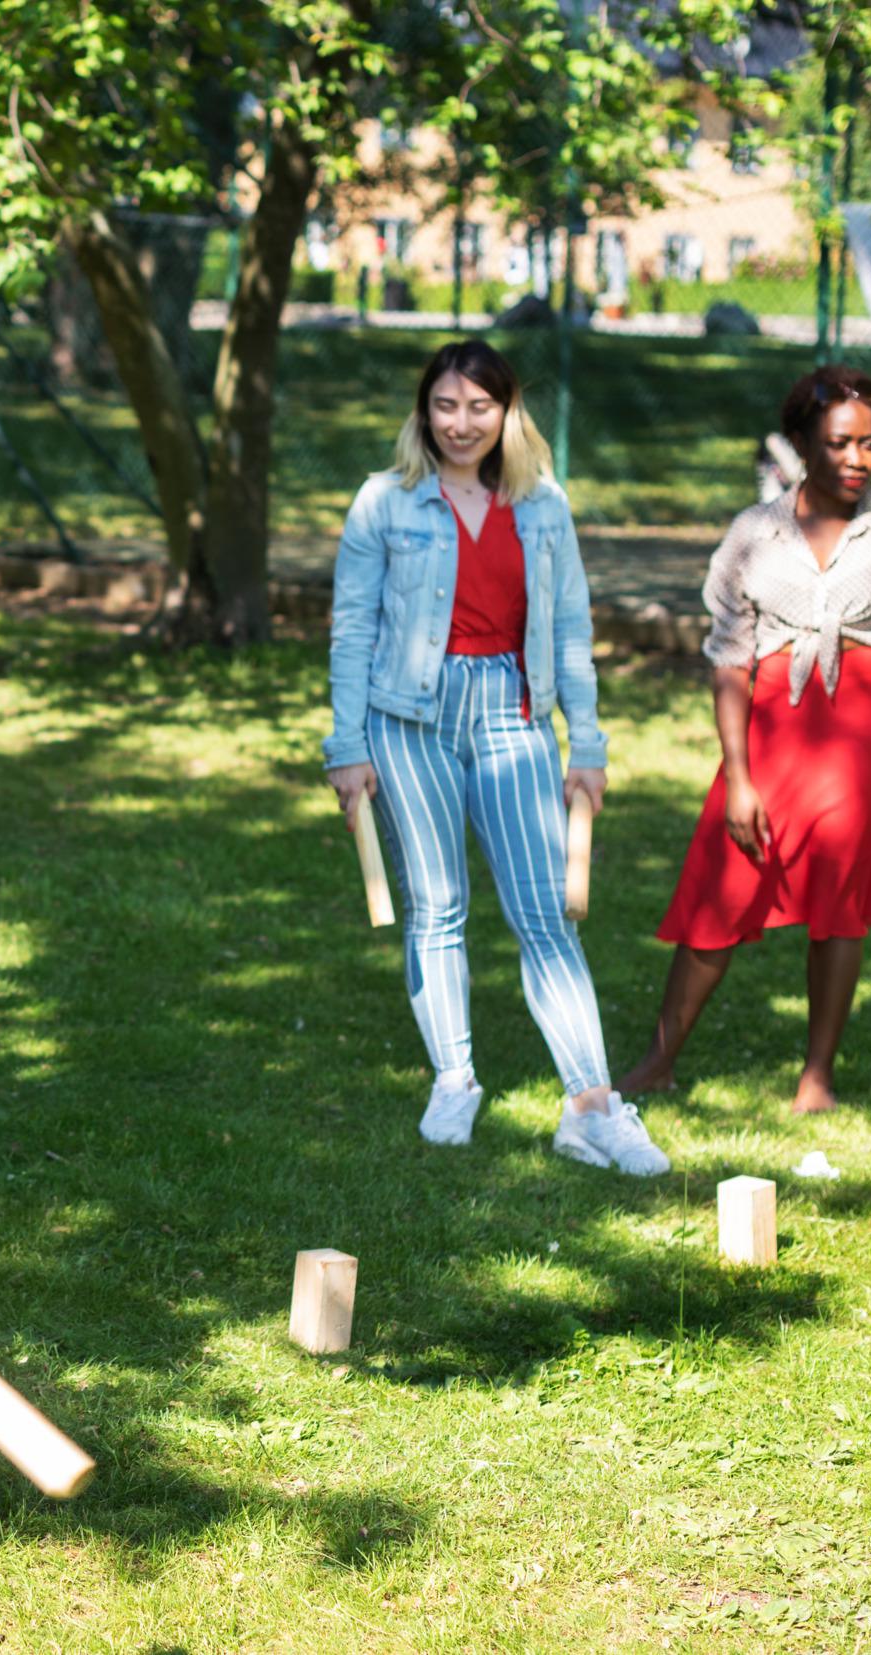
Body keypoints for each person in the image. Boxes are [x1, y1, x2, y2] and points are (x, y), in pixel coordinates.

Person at [325, 339, 668, 1176]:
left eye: (480, 406)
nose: (460, 423)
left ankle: (589, 1107)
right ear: (423, 411)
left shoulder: (543, 505)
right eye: (445, 405)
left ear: (508, 413)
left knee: (546, 914)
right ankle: (454, 1078)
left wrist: (586, 743)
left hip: (513, 715)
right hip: (407, 721)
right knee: (436, 907)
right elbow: (352, 628)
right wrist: (347, 746)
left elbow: (574, 629)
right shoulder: (384, 502)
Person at [618, 365, 871, 1114]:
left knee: (839, 897)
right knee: (722, 882)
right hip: (772, 723)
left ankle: (817, 1078)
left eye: (870, 443)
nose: (858, 459)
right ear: (802, 442)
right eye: (839, 443)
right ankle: (659, 1059)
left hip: (865, 731)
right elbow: (729, 660)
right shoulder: (754, 532)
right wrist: (738, 775)